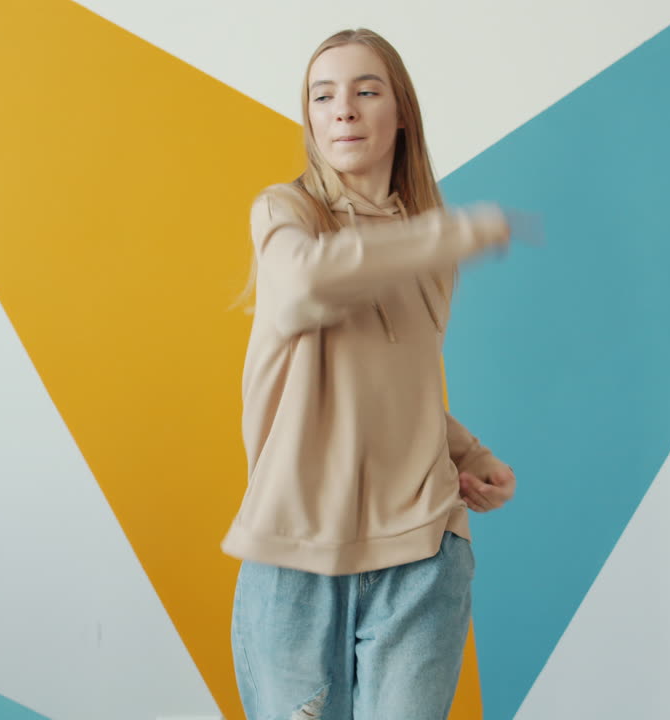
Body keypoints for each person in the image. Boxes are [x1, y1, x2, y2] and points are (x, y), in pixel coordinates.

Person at [221, 27, 517, 720]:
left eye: (365, 90)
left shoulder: (429, 246)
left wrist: (470, 455)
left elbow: (387, 385)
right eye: (323, 96)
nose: (343, 109)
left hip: (421, 554)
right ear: (311, 120)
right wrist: (446, 236)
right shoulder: (286, 213)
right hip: (295, 556)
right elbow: (301, 287)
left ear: (401, 112)